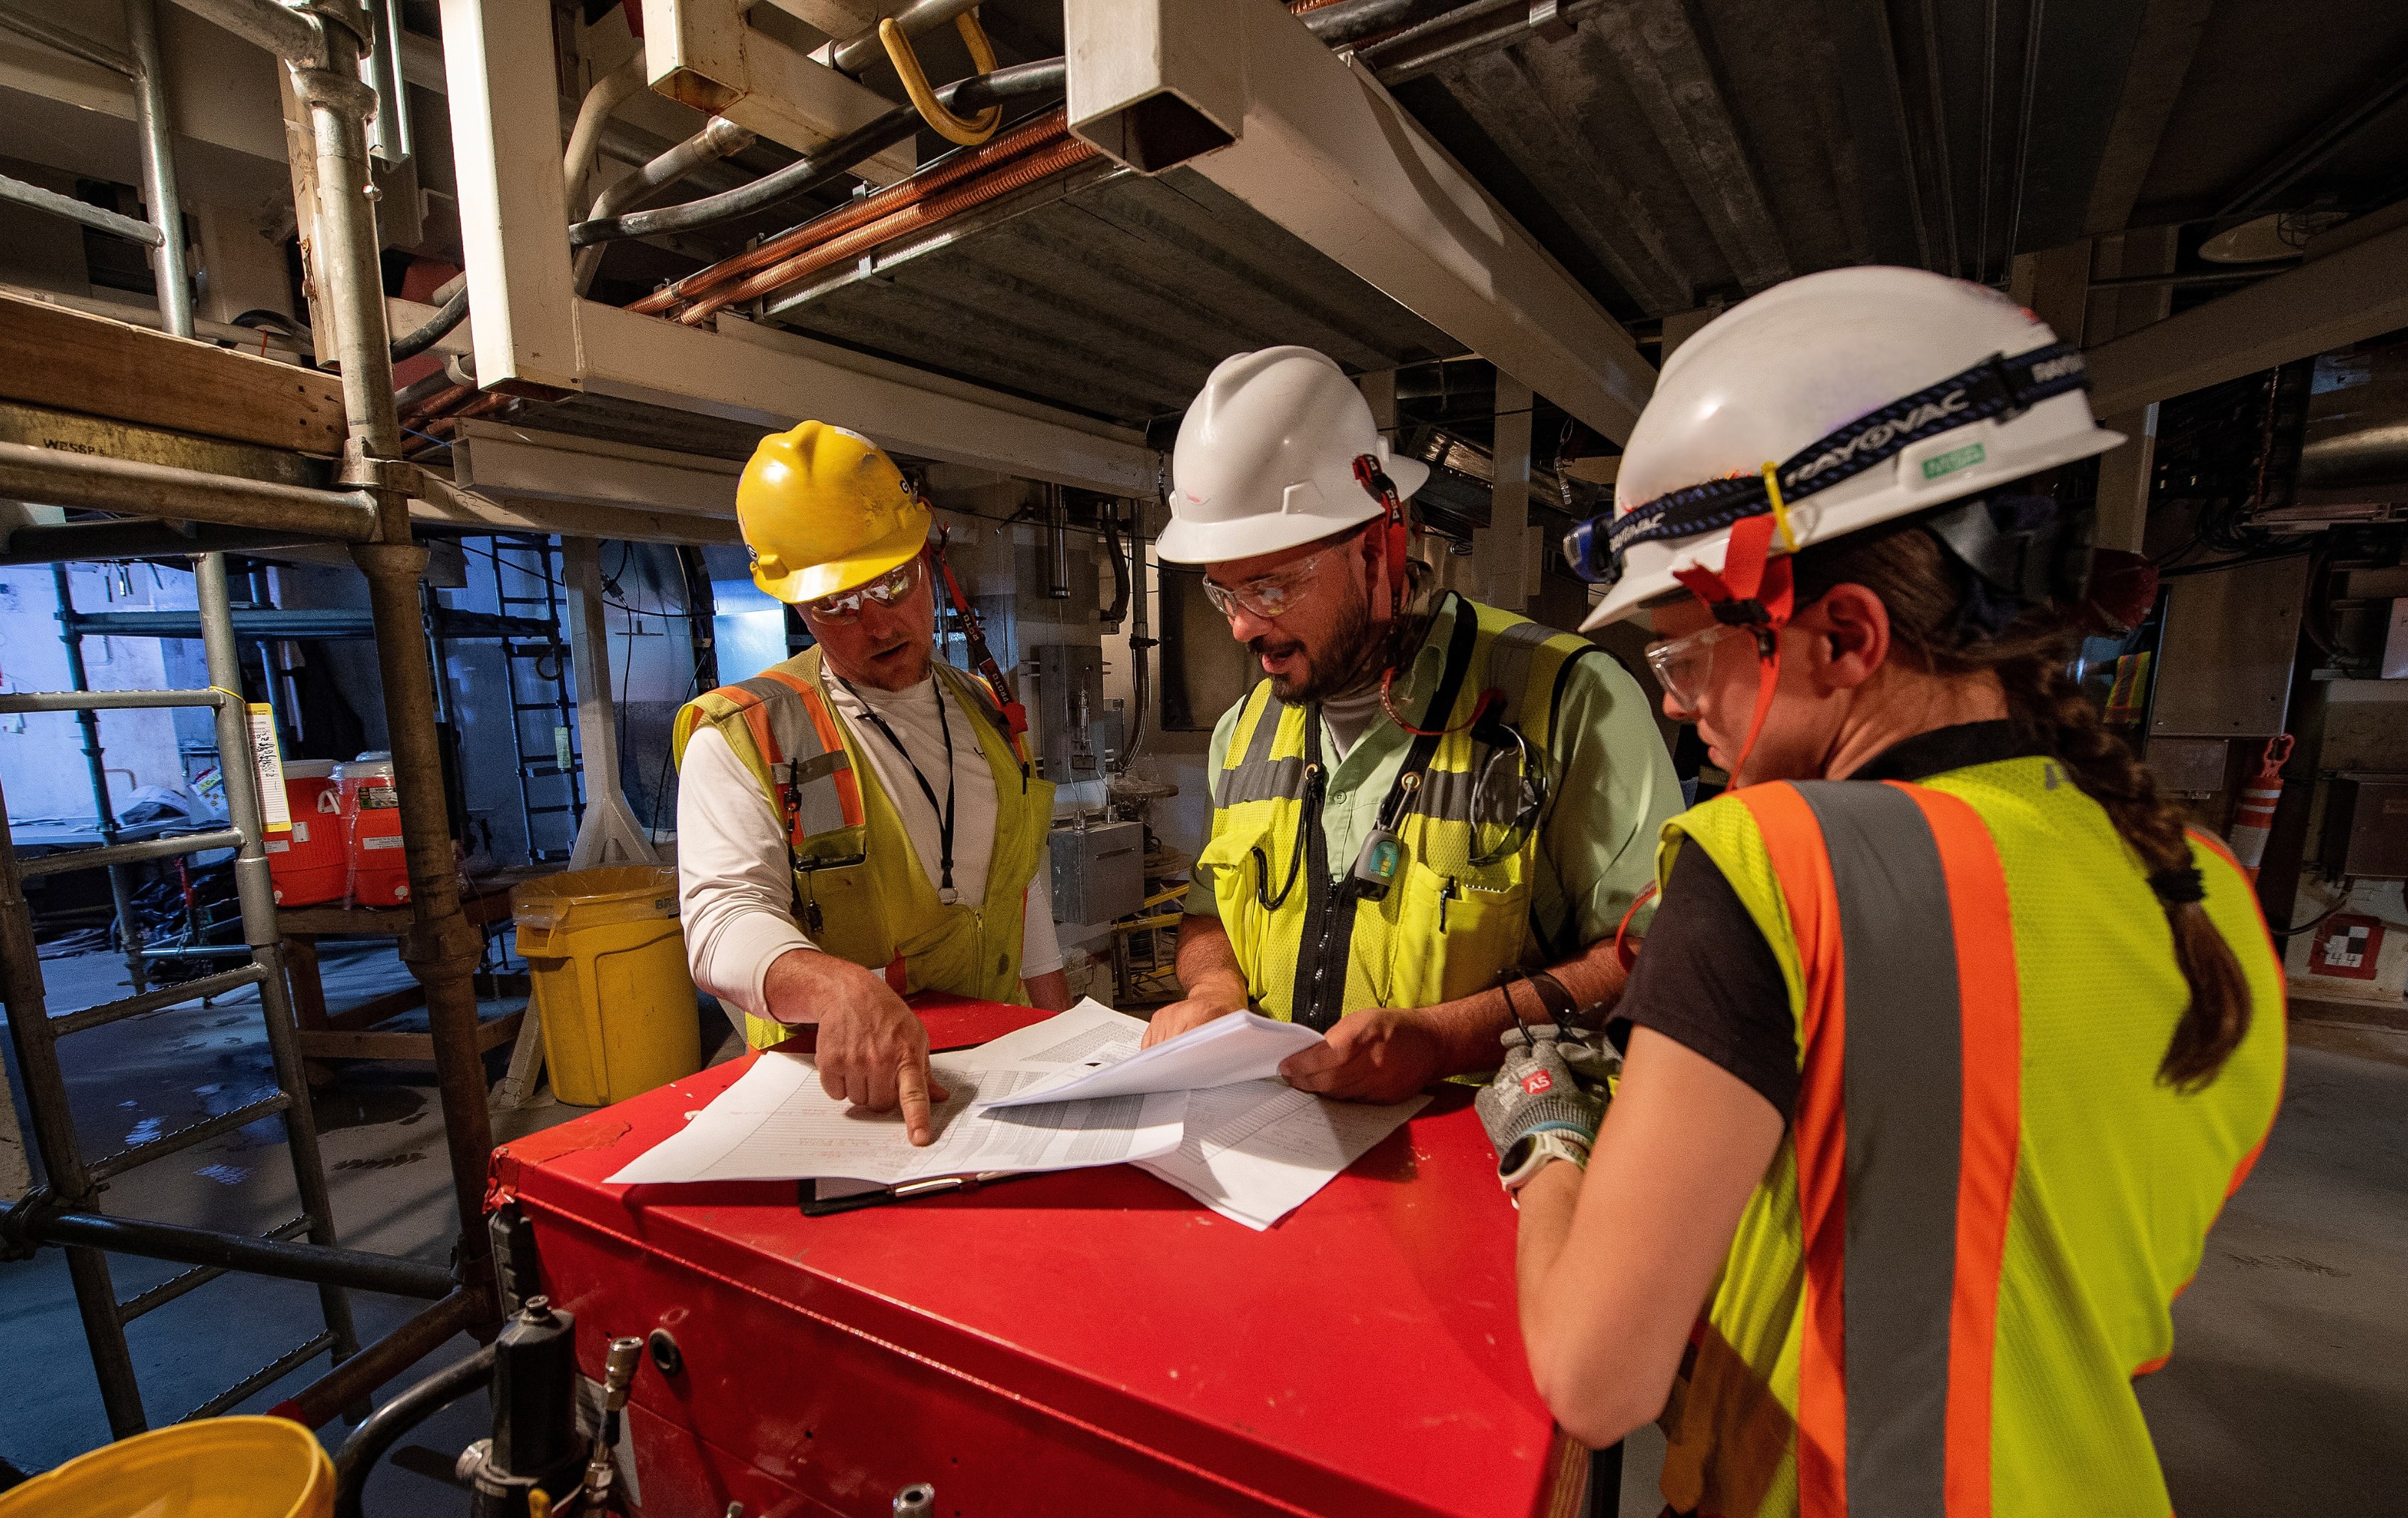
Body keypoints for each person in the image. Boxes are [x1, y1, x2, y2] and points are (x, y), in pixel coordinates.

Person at [1476, 267, 2288, 1516]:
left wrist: (1547, 1138)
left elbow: (1597, 1377)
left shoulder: (1775, 860)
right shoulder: (2209, 888)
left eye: (1687, 660)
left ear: (1845, 637)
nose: (1682, 713)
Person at [1147, 346, 1682, 1102]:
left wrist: (1444, 1042)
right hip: (1283, 1155)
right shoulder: (1242, 730)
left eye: (1268, 586)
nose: (1240, 628)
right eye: (1223, 593)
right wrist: (1212, 992)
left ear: (1375, 548)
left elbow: (1647, 954)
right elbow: (1208, 918)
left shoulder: (1567, 698)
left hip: (1501, 1164)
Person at [675, 421, 1065, 1142]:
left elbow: (1019, 885)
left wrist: (1057, 1033)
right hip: (847, 1099)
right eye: (836, 605)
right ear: (796, 604)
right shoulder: (747, 736)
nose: (878, 621)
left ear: (928, 558)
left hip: (1000, 1073)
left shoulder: (985, 711)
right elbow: (720, 922)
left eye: (891, 582)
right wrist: (837, 986)